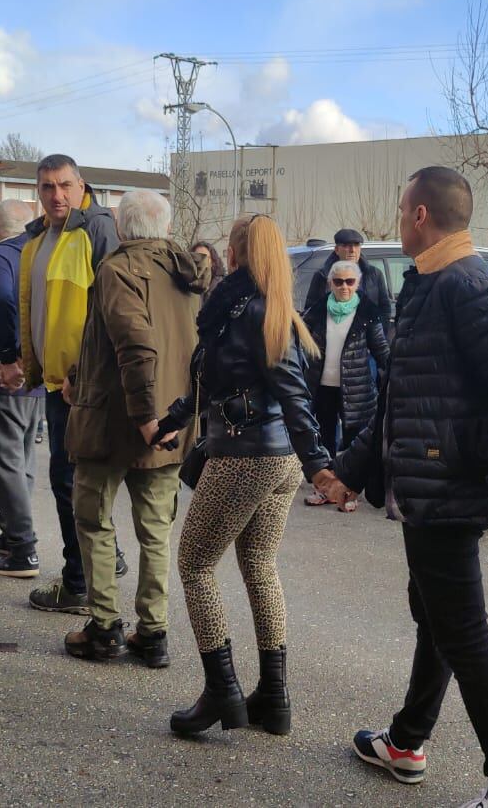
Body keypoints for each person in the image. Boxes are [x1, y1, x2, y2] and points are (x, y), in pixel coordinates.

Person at [332, 168, 488, 808]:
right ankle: (408, 740)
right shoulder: (429, 283)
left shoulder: (468, 288)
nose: (396, 215)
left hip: (449, 489)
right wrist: (349, 469)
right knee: (435, 618)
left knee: (464, 637)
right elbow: (399, 401)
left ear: (419, 215)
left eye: (399, 203)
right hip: (429, 484)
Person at [160, 214, 331, 736]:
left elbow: (293, 393)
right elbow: (218, 381)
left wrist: (322, 464)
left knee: (193, 563)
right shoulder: (275, 309)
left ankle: (222, 690)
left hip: (246, 455)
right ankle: (273, 698)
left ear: (233, 255)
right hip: (276, 460)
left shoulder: (244, 309)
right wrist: (172, 419)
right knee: (259, 562)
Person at [61, 191, 208, 666]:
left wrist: (146, 417)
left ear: (122, 229)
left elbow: (135, 344)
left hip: (119, 421)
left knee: (95, 521)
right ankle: (154, 631)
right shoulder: (188, 274)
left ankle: (105, 628)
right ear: (165, 228)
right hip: (172, 418)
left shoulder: (117, 269)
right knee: (155, 530)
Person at [7, 153, 124, 614]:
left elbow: (111, 311)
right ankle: (94, 569)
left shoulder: (96, 230)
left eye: (64, 186)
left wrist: (85, 376)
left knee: (72, 482)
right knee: (72, 482)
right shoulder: (40, 237)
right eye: (47, 188)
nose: (56, 195)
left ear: (81, 185)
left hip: (81, 386)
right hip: (55, 382)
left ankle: (80, 584)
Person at [0, 200, 48, 575]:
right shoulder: (42, 252)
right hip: (36, 374)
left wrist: (8, 356)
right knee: (21, 460)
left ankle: (22, 545)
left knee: (4, 461)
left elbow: (1, 300)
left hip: (1, 374)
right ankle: (13, 531)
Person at [300, 258, 389, 509]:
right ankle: (324, 489)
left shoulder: (367, 313)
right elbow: (301, 346)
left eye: (350, 282)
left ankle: (348, 493)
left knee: (353, 444)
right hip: (322, 387)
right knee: (324, 441)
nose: (344, 287)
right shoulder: (317, 311)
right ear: (330, 284)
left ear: (357, 283)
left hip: (356, 389)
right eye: (338, 282)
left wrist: (394, 376)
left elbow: (381, 349)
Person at [302, 227, 392, 330]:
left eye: (356, 245)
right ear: (337, 250)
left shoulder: (374, 274)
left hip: (366, 341)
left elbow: (385, 309)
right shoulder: (323, 276)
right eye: (346, 246)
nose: (352, 250)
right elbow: (311, 311)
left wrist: (378, 336)